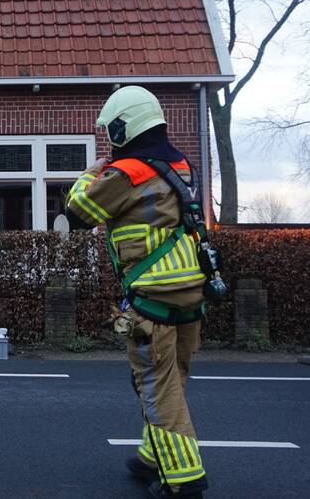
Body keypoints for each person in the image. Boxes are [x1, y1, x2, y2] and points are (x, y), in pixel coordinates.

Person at [65, 87, 214, 498]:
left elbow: (77, 215)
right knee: (173, 377)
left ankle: (184, 478)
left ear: (122, 127)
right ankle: (153, 455)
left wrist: (88, 175)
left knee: (154, 382)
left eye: (109, 132)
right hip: (192, 292)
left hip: (152, 297)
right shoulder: (182, 166)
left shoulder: (125, 172)